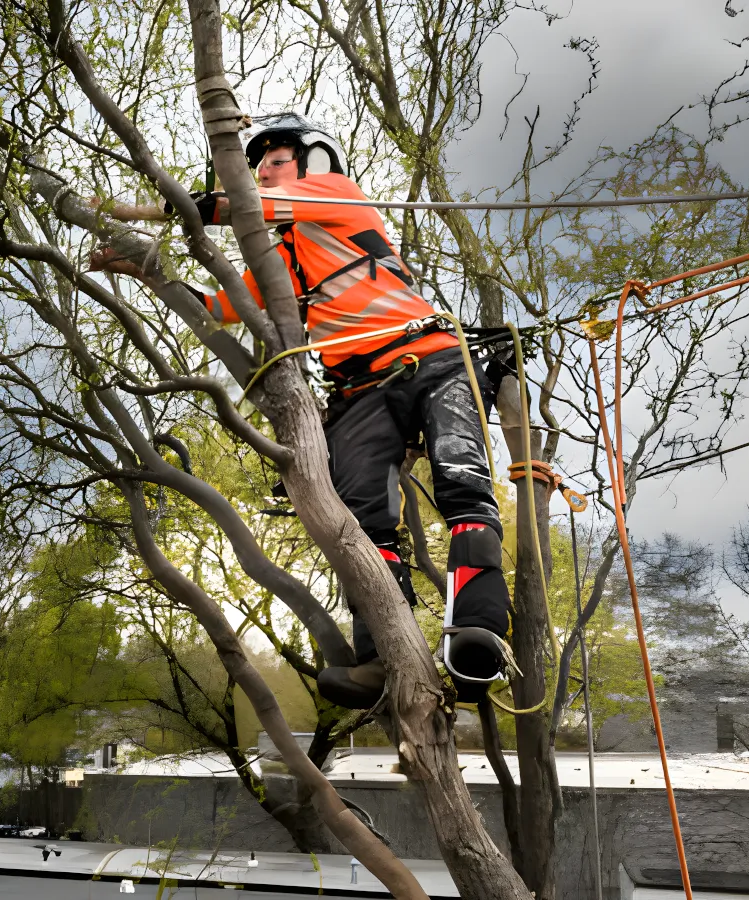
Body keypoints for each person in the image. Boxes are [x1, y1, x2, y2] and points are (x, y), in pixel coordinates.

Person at [92, 113, 510, 708]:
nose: (261, 172)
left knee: (461, 482)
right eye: (256, 166)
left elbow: (240, 203)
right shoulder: (281, 259)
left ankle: (480, 633)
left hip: (432, 357)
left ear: (312, 162)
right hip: (360, 387)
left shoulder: (337, 196)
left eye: (274, 162)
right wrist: (150, 272)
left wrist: (135, 211)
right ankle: (381, 657)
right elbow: (221, 306)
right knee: (362, 520)